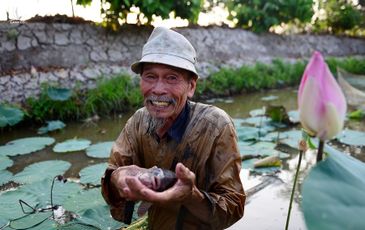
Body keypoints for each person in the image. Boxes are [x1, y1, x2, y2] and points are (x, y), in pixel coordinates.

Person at [101, 27, 245, 229]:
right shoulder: (137, 122)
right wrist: (118, 178)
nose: (158, 89)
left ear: (191, 86)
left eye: (172, 78)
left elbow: (233, 207)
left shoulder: (217, 126)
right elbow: (114, 173)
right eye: (150, 76)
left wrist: (191, 195)